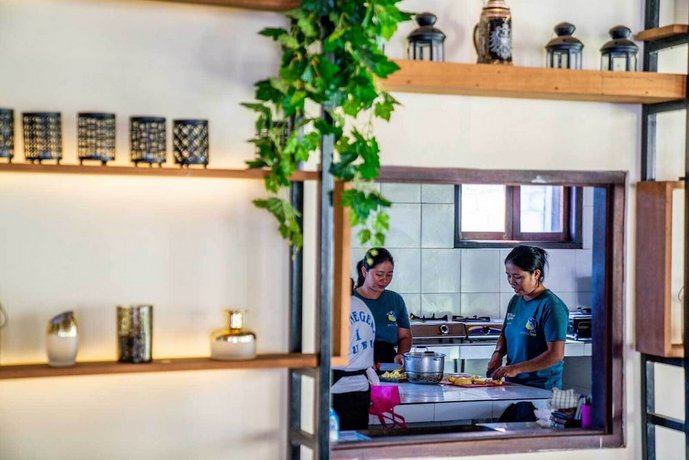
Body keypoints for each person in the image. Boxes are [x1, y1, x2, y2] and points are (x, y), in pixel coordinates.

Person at [488, 245, 569, 390]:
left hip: (542, 389)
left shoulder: (552, 306)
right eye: (508, 275)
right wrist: (498, 354)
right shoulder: (516, 300)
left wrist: (516, 369)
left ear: (536, 274)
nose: (511, 281)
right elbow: (505, 334)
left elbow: (555, 354)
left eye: (518, 277)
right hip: (514, 385)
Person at [354, 248, 412, 365]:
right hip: (355, 364)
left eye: (389, 275)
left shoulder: (395, 300)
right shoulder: (349, 299)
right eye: (379, 274)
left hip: (388, 364)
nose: (384, 280)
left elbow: (405, 336)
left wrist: (401, 355)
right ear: (364, 271)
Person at [331, 291, 376, 431]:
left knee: (333, 441)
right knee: (356, 439)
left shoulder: (336, 307)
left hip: (336, 388)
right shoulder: (362, 306)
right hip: (361, 387)